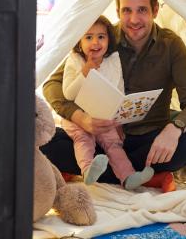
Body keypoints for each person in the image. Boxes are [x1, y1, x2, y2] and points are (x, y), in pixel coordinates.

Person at [41, 0, 186, 186]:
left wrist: (173, 129)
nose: (134, 20)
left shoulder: (171, 45)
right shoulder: (101, 38)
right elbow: (52, 85)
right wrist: (81, 119)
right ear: (118, 11)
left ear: (155, 10)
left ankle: (105, 172)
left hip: (146, 139)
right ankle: (136, 176)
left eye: (142, 10)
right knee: (42, 142)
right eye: (127, 10)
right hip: (99, 136)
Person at [61, 15, 154, 189]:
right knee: (83, 139)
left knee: (114, 144)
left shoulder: (113, 60)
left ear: (109, 40)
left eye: (101, 37)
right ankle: (88, 171)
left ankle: (128, 177)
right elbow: (68, 94)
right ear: (79, 40)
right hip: (79, 117)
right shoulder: (74, 59)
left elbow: (118, 89)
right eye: (88, 37)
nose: (95, 42)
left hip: (104, 115)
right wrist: (85, 72)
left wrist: (118, 117)